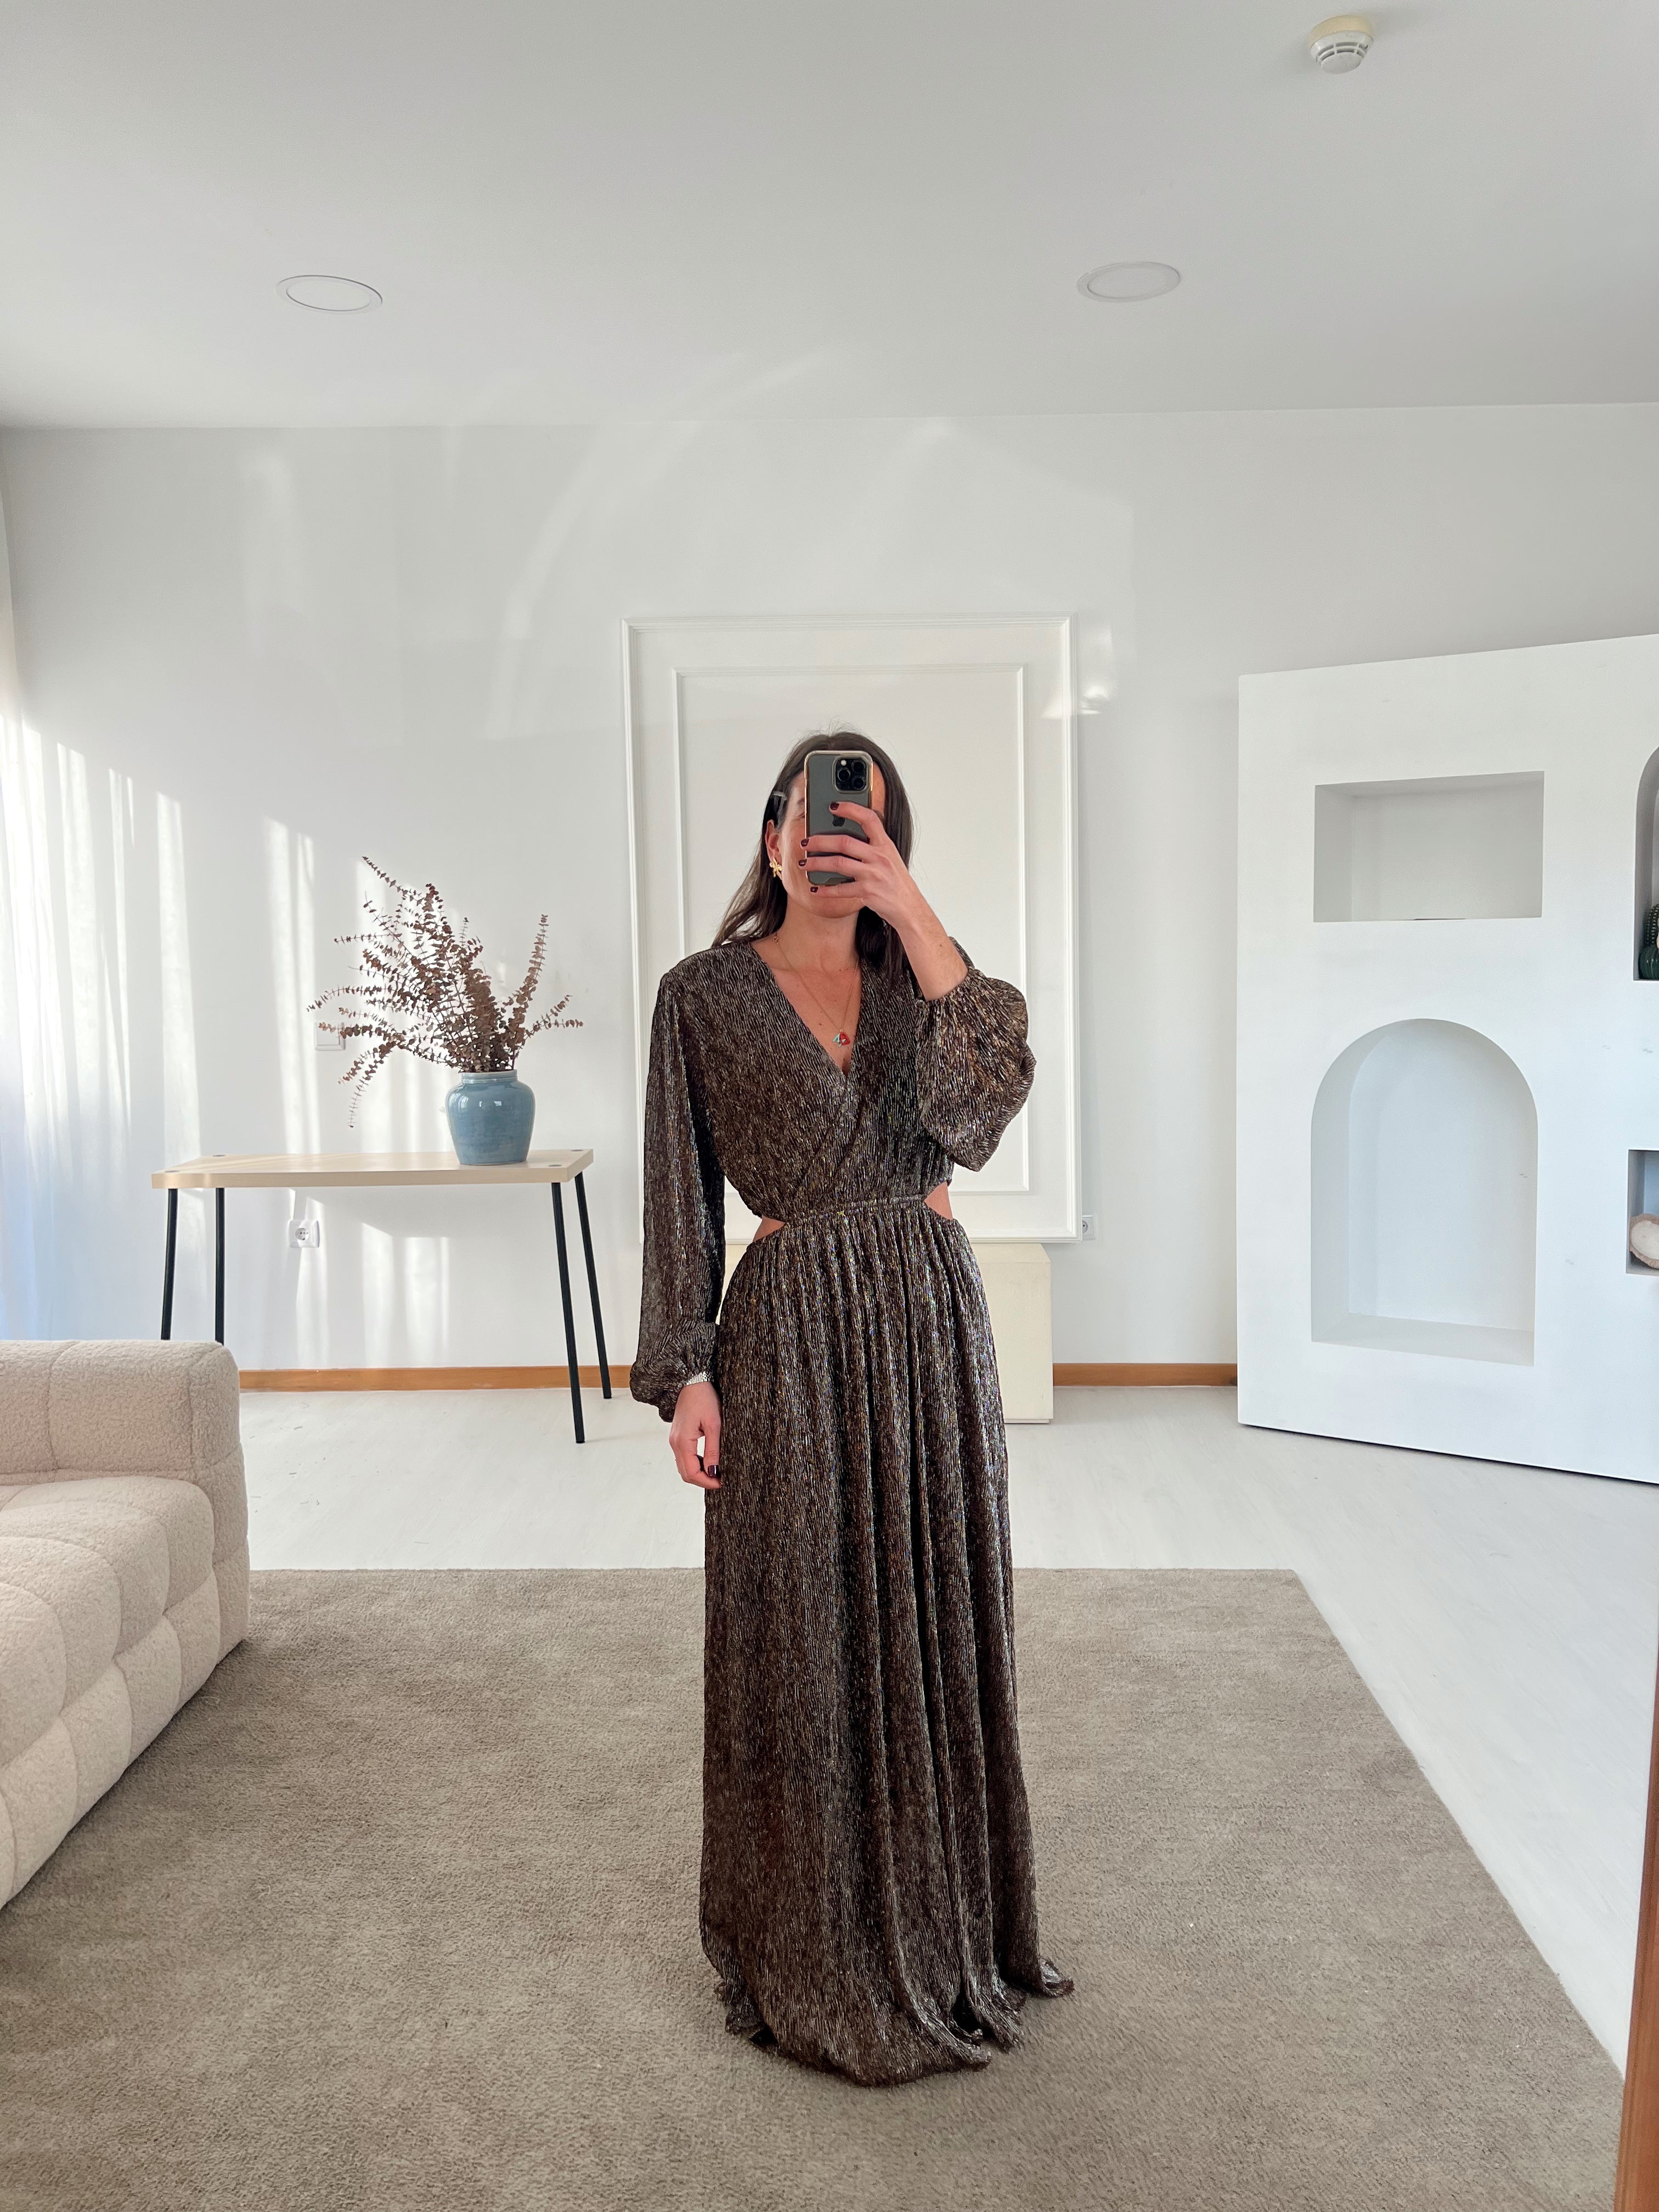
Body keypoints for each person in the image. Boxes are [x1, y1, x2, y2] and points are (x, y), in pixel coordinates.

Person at [631, 730, 1074, 2087]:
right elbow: (676, 1193)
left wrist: (913, 912)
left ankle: (948, 1925)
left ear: (890, 844)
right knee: (801, 1629)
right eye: (815, 819)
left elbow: (984, 1113)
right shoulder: (701, 997)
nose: (833, 840)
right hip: (787, 1334)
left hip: (927, 1323)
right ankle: (811, 1939)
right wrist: (687, 1368)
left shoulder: (930, 984)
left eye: (864, 826)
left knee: (935, 1609)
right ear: (773, 837)